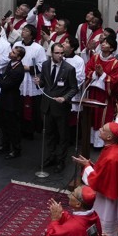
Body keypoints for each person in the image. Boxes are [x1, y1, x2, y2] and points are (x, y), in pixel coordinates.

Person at [37, 42, 78, 171]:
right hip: (47, 105)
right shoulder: (45, 65)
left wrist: (65, 98)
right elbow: (44, 82)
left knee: (62, 136)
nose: (60, 56)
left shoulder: (69, 69)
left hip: (61, 108)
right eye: (57, 53)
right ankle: (51, 156)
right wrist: (39, 82)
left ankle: (61, 160)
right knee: (49, 134)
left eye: (62, 53)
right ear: (51, 53)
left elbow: (74, 88)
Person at [87, 122, 118, 236]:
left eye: (103, 129)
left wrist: (86, 166)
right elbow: (104, 171)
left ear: (109, 137)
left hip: (108, 194)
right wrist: (92, 165)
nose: (100, 129)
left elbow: (97, 180)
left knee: (106, 222)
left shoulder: (112, 157)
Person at [0, 45, 26, 158]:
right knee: (4, 125)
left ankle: (16, 150)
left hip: (11, 102)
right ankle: (4, 146)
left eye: (14, 53)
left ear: (19, 57)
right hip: (5, 99)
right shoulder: (11, 64)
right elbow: (5, 78)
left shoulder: (18, 70)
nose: (10, 53)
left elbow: (5, 85)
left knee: (12, 127)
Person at [15, 24, 47, 139]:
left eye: (26, 30)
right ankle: (19, 128)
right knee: (19, 105)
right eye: (23, 29)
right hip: (19, 79)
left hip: (30, 80)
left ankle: (31, 130)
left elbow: (43, 65)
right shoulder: (17, 45)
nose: (23, 32)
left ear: (32, 35)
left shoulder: (38, 48)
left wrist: (28, 68)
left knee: (31, 107)